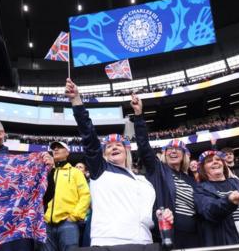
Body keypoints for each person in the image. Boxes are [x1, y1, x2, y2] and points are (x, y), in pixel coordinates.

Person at [65, 78, 172, 246]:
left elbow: (147, 214)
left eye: (118, 145)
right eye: (108, 146)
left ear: (127, 150)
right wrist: (76, 101)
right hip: (109, 241)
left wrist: (160, 216)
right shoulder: (100, 170)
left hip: (144, 242)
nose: (114, 147)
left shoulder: (143, 180)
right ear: (104, 153)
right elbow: (89, 136)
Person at [0, 115, 54, 251]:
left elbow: (43, 197)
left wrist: (47, 173)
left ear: (1, 134)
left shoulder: (22, 166)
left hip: (10, 243)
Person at [131, 93, 201, 248]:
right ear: (164, 154)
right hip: (168, 233)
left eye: (178, 150)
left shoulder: (190, 179)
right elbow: (143, 145)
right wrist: (138, 115)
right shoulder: (157, 169)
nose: (173, 152)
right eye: (169, 149)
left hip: (194, 235)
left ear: (185, 156)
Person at [42, 141, 90, 251]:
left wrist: (74, 216)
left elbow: (85, 195)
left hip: (68, 222)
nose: (56, 150)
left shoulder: (76, 172)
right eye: (54, 148)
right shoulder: (48, 172)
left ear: (67, 152)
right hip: (47, 224)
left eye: (59, 147)